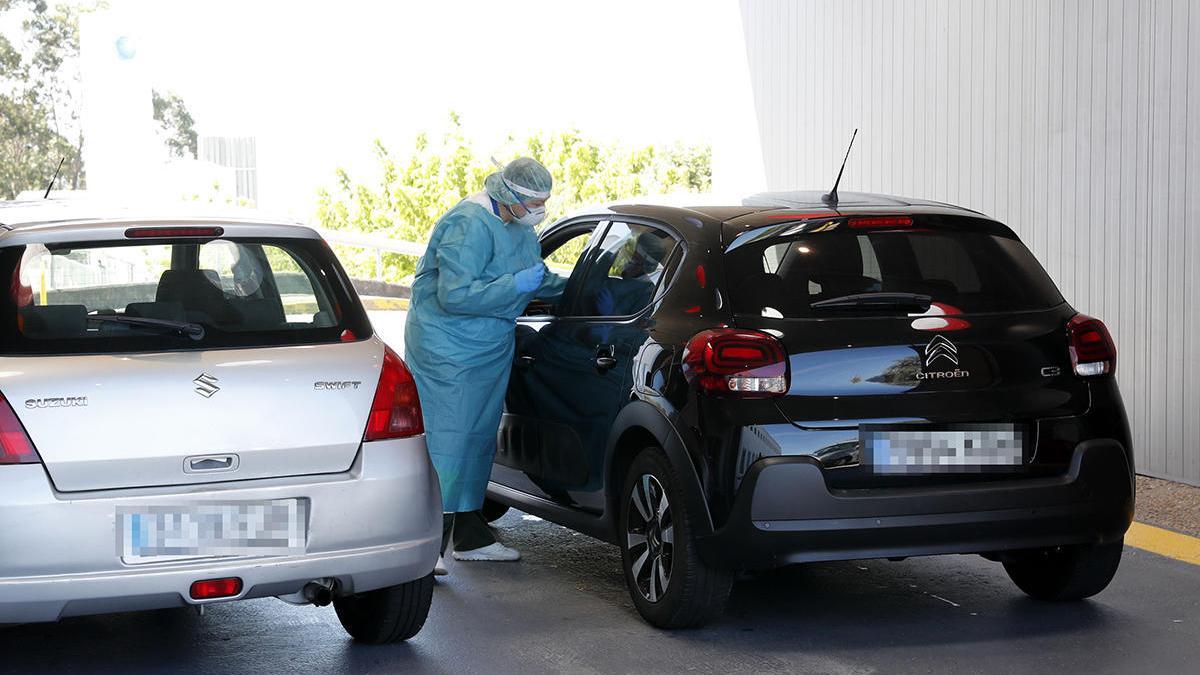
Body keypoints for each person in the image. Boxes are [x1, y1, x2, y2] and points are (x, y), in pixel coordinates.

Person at [403, 157, 565, 574]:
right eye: (535, 203)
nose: (539, 211)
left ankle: (470, 536)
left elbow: (532, 274)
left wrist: (575, 286)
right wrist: (516, 286)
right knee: (447, 440)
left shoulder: (518, 226)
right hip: (448, 348)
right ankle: (426, 546)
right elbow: (454, 295)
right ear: (510, 196)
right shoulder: (468, 223)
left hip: (489, 344)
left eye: (544, 203)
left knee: (477, 438)